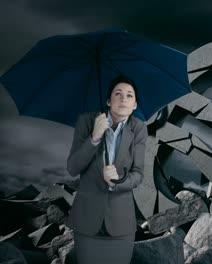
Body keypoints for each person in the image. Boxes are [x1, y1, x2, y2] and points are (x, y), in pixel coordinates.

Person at [66, 75, 148, 264]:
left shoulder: (138, 128)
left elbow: (138, 174)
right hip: (87, 221)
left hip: (121, 224)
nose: (123, 99)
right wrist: (94, 138)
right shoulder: (87, 121)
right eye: (118, 94)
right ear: (108, 101)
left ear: (135, 104)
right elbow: (73, 168)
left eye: (129, 95)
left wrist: (117, 181)